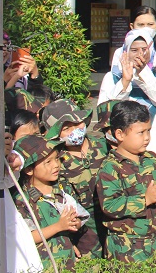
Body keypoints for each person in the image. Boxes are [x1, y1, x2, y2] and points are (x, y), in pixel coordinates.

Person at [96, 101, 156, 263]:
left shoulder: (152, 160)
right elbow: (109, 205)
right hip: (126, 247)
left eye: (148, 131)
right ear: (120, 134)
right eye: (140, 133)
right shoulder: (110, 168)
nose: (147, 138)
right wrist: (145, 200)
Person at [12, 135, 91, 271]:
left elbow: (79, 217)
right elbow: (27, 237)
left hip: (67, 263)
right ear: (29, 169)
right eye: (47, 162)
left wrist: (74, 223)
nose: (56, 165)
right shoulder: (22, 199)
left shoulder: (62, 188)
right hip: (42, 265)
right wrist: (59, 226)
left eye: (56, 158)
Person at [41, 99, 105, 259]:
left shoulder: (102, 145)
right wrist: (68, 241)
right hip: (84, 233)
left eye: (78, 123)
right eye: (67, 128)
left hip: (114, 222)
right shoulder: (55, 160)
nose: (75, 130)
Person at [98, 30, 156, 157]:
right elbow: (106, 109)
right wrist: (125, 81)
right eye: (134, 50)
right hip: (123, 143)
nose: (140, 54)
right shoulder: (112, 77)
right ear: (126, 52)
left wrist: (143, 72)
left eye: (144, 49)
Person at [110, 6, 156, 96]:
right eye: (140, 25)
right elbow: (114, 82)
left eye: (150, 24)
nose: (146, 28)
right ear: (132, 26)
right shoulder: (120, 52)